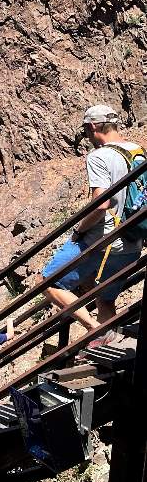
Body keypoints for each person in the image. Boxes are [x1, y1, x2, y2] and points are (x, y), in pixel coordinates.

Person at [41, 104, 144, 340]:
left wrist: (79, 230)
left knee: (48, 282)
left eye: (86, 131)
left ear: (92, 127)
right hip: (133, 239)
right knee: (104, 297)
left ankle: (92, 329)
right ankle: (110, 338)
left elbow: (101, 204)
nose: (87, 136)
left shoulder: (99, 156)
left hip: (104, 239)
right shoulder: (138, 151)